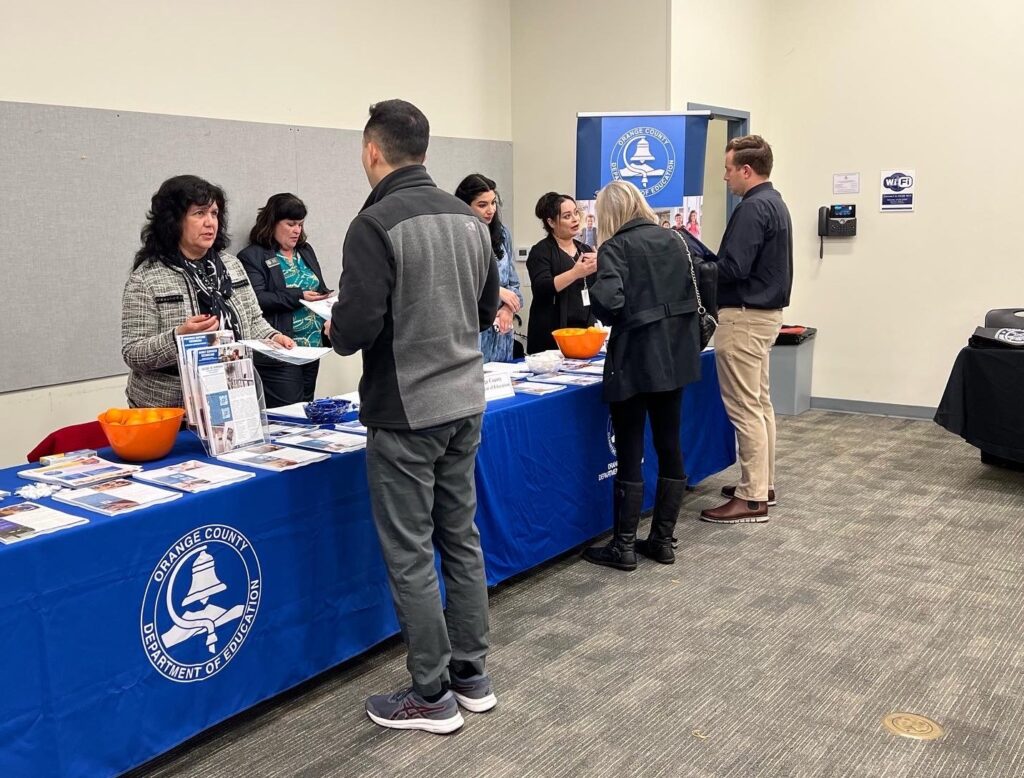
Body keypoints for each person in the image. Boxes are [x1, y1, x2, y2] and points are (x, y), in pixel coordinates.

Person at [327, 100, 499, 734]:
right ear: (423, 149)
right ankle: (470, 674)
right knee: (461, 537)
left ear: (374, 151)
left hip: (406, 414)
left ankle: (431, 694)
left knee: (408, 552)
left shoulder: (373, 224)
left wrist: (335, 321)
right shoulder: (469, 220)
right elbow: (485, 312)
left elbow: (355, 330)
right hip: (464, 404)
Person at [580, 181, 706, 570]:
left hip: (634, 359)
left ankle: (624, 546)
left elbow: (609, 304)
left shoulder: (615, 248)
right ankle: (663, 539)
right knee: (670, 445)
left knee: (630, 450)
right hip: (677, 355)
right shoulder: (678, 240)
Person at [121, 175, 293, 409]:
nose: (210, 222)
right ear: (174, 220)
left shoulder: (231, 265)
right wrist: (178, 338)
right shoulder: (147, 276)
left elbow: (253, 320)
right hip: (172, 412)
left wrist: (273, 337)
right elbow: (134, 353)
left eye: (214, 213)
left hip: (232, 397)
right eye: (199, 213)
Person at [700, 135, 793, 524]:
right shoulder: (776, 203)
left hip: (743, 317)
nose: (724, 177)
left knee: (744, 408)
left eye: (727, 169)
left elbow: (733, 268)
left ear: (746, 170)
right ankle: (762, 484)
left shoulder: (752, 209)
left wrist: (697, 266)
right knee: (759, 403)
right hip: (765, 316)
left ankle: (753, 498)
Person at [238, 193, 332, 407]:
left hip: (312, 348)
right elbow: (257, 299)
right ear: (272, 223)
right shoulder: (253, 256)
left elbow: (317, 286)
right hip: (282, 351)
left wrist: (327, 301)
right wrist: (298, 296)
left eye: (300, 224)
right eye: (290, 224)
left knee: (308, 410)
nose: (297, 230)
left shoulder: (305, 251)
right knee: (290, 414)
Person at [454, 174, 523, 362]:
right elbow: (457, 284)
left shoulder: (502, 234)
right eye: (482, 205)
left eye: (493, 203)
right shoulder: (456, 237)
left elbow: (514, 285)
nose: (490, 210)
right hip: (472, 335)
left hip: (501, 334)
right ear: (465, 206)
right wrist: (497, 291)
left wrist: (509, 310)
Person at [525, 193, 596, 354]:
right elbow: (542, 288)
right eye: (567, 216)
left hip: (584, 331)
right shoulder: (541, 251)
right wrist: (575, 273)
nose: (575, 219)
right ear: (551, 222)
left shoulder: (584, 250)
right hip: (552, 335)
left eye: (576, 213)